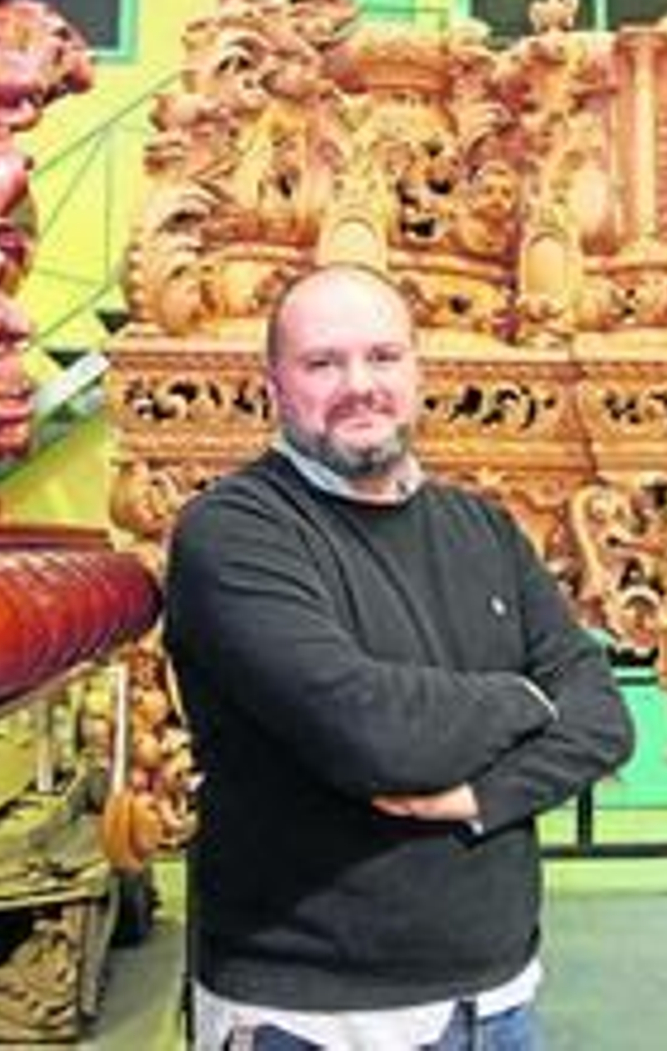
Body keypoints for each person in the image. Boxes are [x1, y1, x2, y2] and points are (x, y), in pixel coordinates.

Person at [164, 262, 635, 1050]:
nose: (360, 385)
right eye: (323, 362)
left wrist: (482, 795)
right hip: (308, 1016)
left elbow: (603, 720)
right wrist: (527, 698)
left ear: (418, 371)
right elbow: (375, 735)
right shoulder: (234, 531)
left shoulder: (484, 529)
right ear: (274, 383)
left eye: (383, 356)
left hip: (500, 1000)